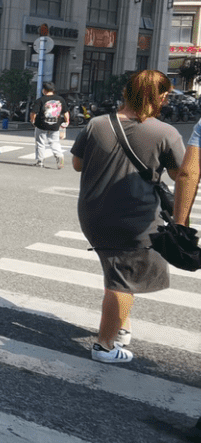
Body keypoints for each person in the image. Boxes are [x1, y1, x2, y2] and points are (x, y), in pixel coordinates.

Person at [70, 69, 184, 364]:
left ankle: (121, 329)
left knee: (121, 271)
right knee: (122, 280)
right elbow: (180, 173)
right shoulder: (165, 133)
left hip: (93, 213)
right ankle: (105, 346)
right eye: (166, 94)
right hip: (135, 217)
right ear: (158, 97)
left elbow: (77, 164)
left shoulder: (97, 124)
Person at [31, 81, 70, 169]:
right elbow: (65, 112)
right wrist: (67, 121)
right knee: (55, 143)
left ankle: (40, 162)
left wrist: (33, 121)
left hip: (41, 125)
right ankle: (60, 157)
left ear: (44, 90)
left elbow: (33, 112)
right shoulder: (60, 100)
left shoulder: (40, 100)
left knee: (40, 143)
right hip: (55, 125)